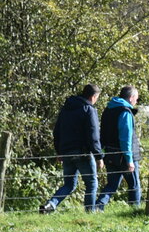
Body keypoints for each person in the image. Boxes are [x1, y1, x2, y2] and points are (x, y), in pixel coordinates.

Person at [39, 85, 104, 213]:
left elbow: (57, 131)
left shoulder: (66, 109)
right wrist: (99, 156)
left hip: (67, 152)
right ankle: (90, 212)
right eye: (97, 98)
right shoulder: (89, 110)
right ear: (93, 97)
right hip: (82, 153)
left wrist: (59, 151)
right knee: (91, 183)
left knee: (69, 184)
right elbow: (93, 135)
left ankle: (50, 205)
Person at [96, 85, 142, 210]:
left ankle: (97, 208)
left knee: (111, 185)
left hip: (110, 153)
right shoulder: (125, 112)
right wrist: (129, 159)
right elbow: (125, 138)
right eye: (136, 99)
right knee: (134, 185)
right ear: (131, 98)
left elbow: (102, 133)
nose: (136, 102)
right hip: (123, 155)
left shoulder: (108, 110)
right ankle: (135, 211)